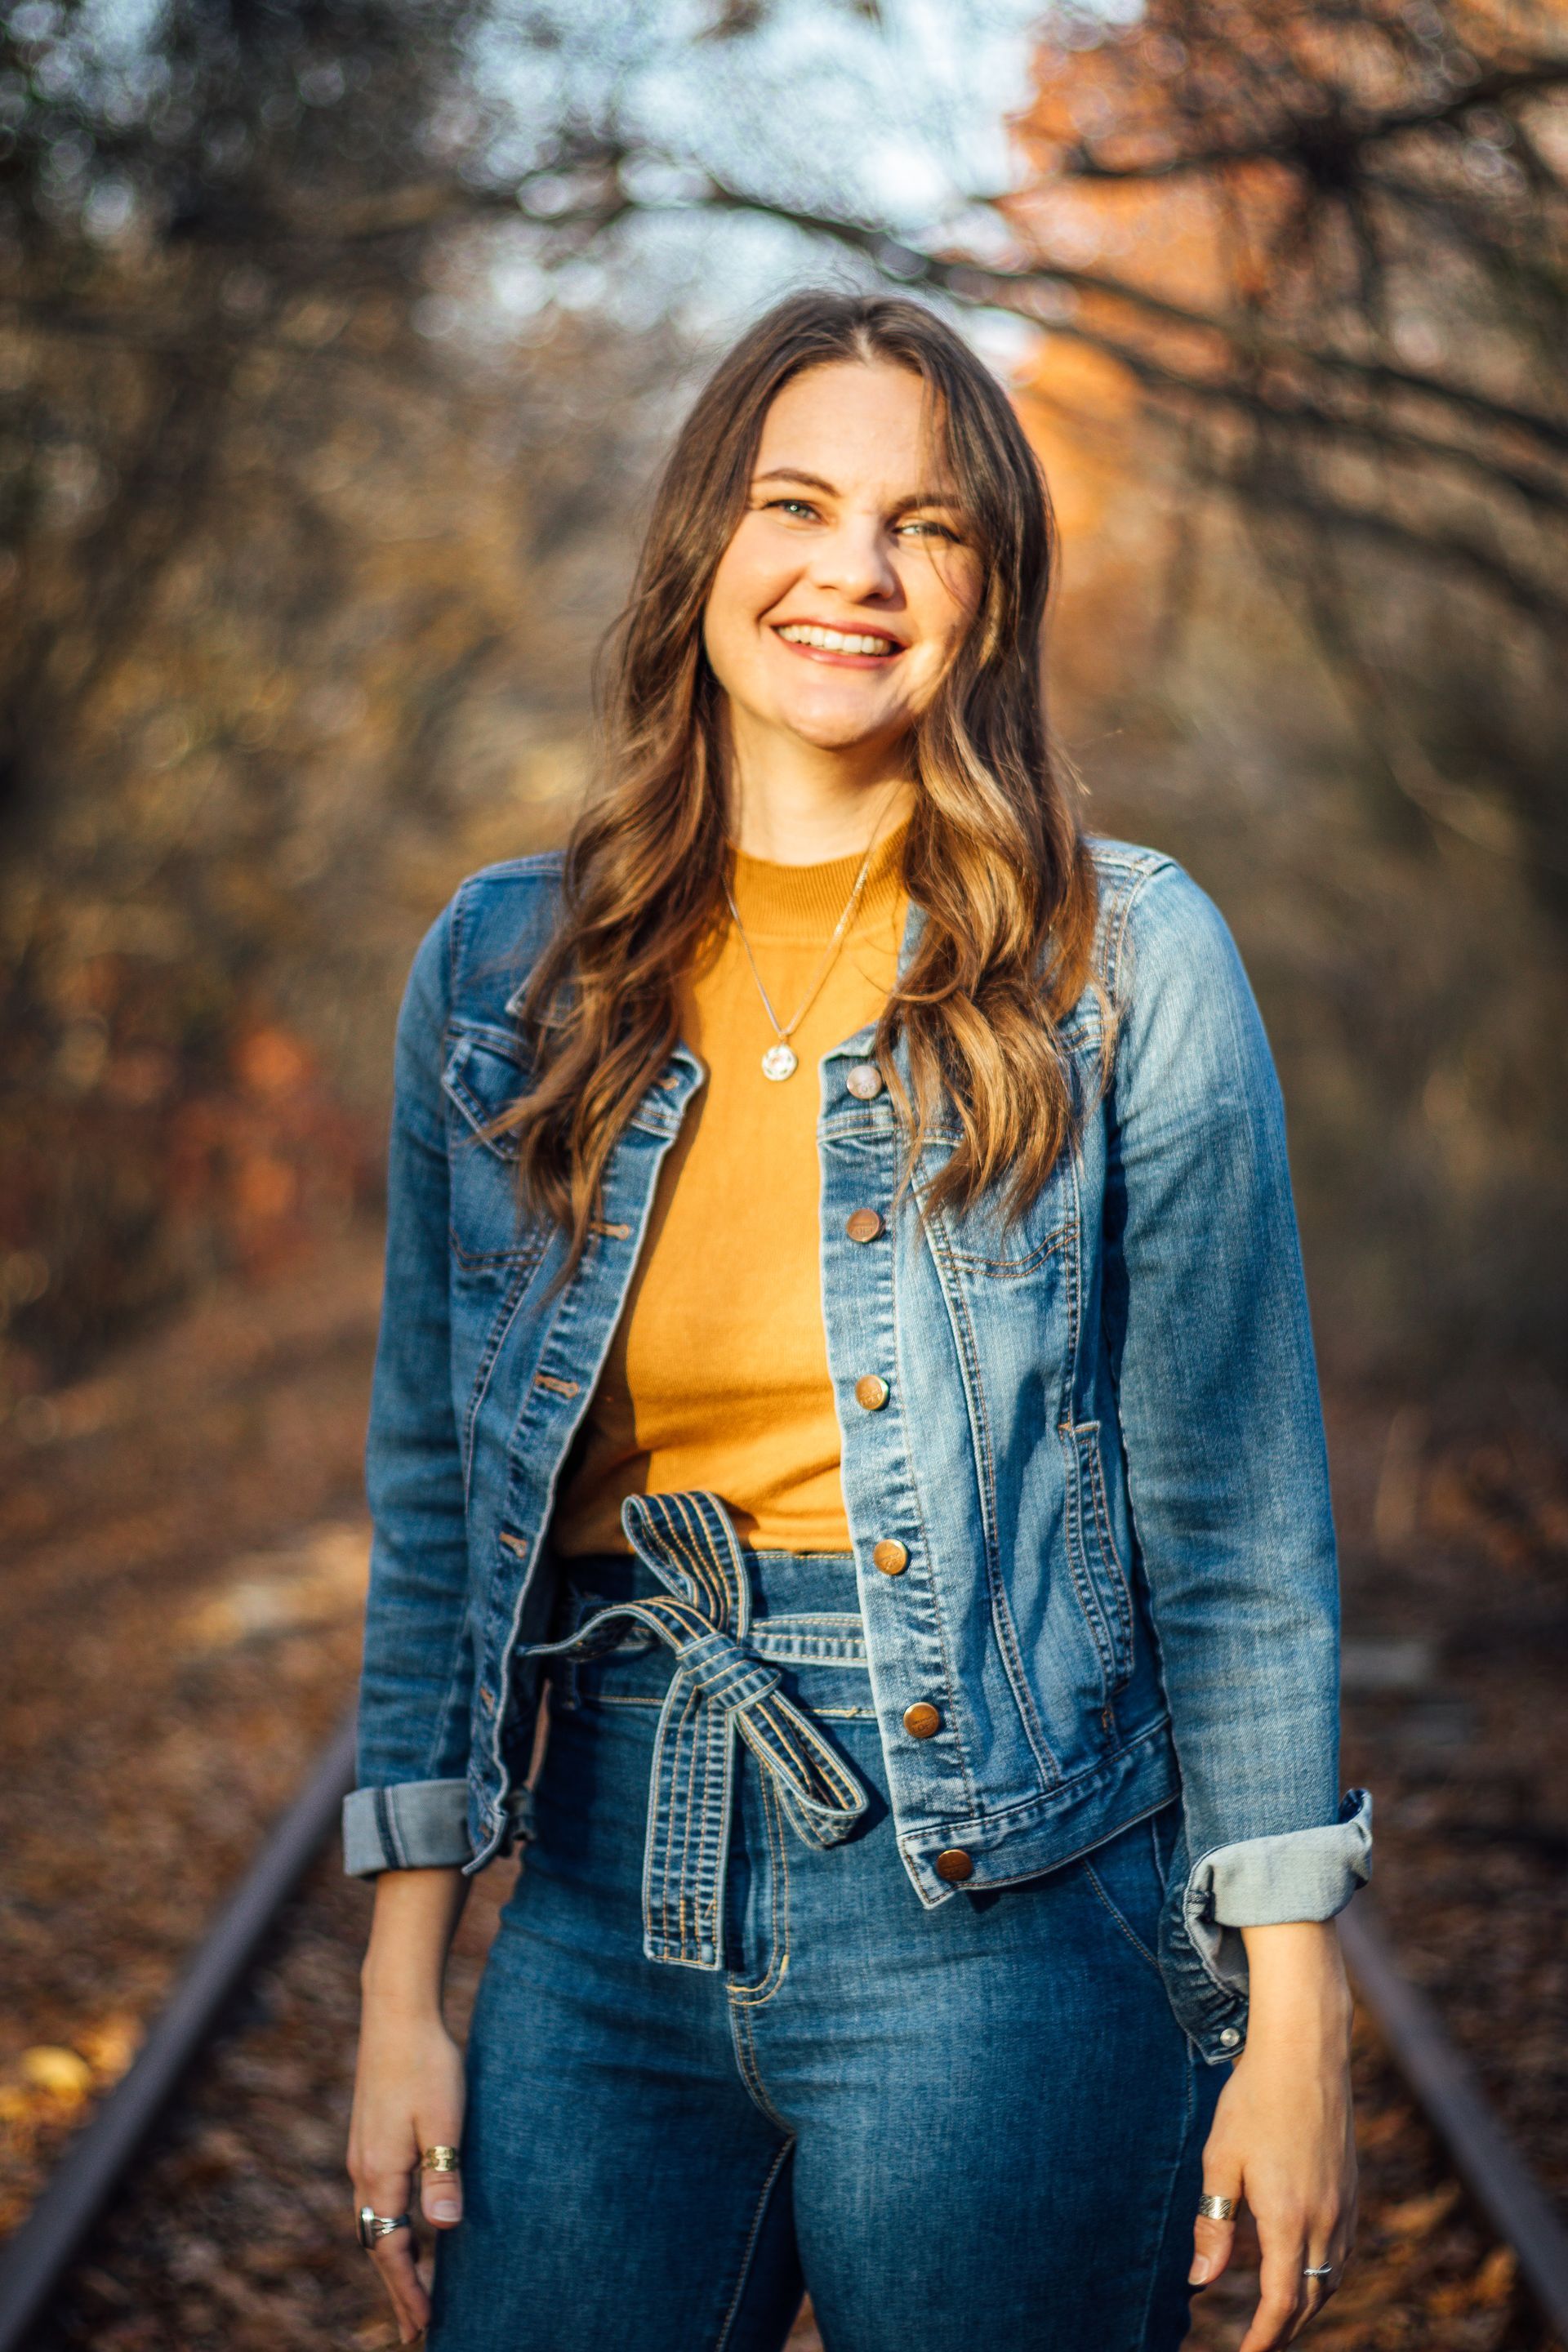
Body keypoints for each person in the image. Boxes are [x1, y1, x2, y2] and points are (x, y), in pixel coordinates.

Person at [342, 289, 1370, 2352]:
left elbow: (1237, 1523)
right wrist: (401, 1994)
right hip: (598, 1913)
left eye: (931, 528)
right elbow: (436, 1504)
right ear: (701, 547)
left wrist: (1297, 2019)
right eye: (796, 505)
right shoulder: (501, 971)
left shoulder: (1119, 962)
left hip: (1003, 1922)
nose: (856, 573)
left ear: (992, 593)